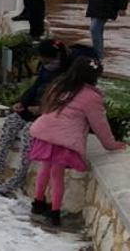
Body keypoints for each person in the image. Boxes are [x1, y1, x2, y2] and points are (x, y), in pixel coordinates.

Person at [27, 56, 126, 227]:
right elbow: (100, 124)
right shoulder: (91, 97)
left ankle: (37, 203)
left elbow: (46, 108)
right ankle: (55, 213)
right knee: (57, 175)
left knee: (45, 168)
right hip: (64, 139)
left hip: (45, 133)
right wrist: (110, 144)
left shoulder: (59, 85)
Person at [0, 40, 69, 196]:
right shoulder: (46, 68)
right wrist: (22, 102)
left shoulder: (67, 72)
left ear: (55, 56)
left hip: (49, 114)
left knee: (28, 132)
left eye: (45, 59)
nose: (43, 62)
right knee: (11, 122)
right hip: (32, 109)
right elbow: (35, 87)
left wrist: (42, 109)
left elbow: (66, 100)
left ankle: (19, 177)